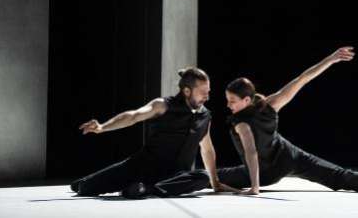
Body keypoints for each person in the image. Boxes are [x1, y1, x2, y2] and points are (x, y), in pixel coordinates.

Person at [217, 47, 358, 195]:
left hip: (287, 157)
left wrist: (330, 59)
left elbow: (302, 79)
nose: (228, 105)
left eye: (232, 101)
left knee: (336, 174)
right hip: (269, 168)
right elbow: (251, 154)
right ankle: (187, 178)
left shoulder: (269, 105)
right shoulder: (244, 118)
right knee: (210, 176)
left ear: (246, 100)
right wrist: (253, 184)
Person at [70, 67, 236, 199]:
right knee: (83, 188)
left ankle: (145, 190)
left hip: (173, 177)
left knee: (202, 177)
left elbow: (207, 149)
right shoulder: (163, 105)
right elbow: (133, 116)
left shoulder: (205, 115)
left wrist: (215, 182)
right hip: (141, 166)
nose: (207, 97)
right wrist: (102, 127)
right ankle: (136, 186)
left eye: (208, 92)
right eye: (203, 92)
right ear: (187, 91)